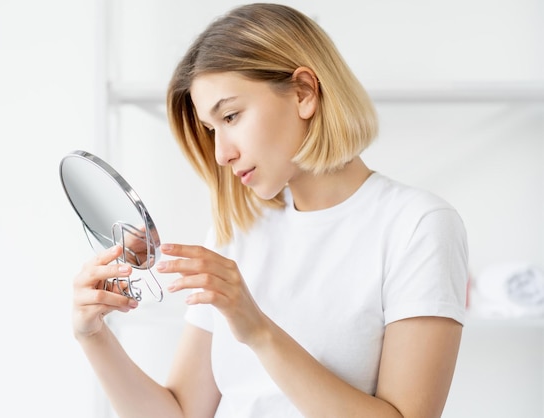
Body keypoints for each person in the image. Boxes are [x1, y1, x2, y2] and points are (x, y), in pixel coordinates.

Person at [72, 3, 468, 417]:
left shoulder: (417, 225)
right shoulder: (235, 232)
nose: (221, 154)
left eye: (231, 116)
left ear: (303, 93)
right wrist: (93, 335)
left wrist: (258, 330)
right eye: (212, 129)